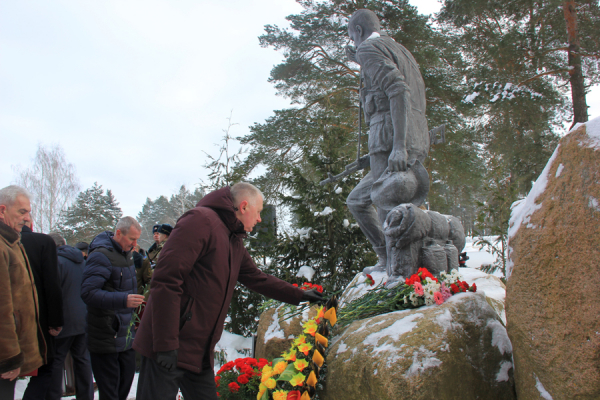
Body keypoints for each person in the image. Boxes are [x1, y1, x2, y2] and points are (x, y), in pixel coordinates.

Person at [133, 183, 323, 400]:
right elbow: (166, 281)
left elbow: (257, 278)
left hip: (198, 351)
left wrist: (299, 295)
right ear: (244, 206)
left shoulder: (233, 240)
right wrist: (166, 343)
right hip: (168, 345)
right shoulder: (200, 221)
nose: (260, 219)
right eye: (258, 212)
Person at [345, 9, 430, 273]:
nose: (354, 44)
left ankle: (396, 269)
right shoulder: (400, 50)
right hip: (409, 138)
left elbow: (397, 90)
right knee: (360, 201)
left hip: (392, 139)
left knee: (387, 206)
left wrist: (398, 146)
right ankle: (391, 258)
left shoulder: (368, 49)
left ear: (358, 31)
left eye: (352, 36)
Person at [81, 216, 145, 400]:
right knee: (110, 393)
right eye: (132, 239)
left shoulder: (126, 255)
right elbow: (88, 293)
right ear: (118, 233)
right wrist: (123, 300)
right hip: (105, 335)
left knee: (123, 388)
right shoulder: (101, 256)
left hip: (125, 335)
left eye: (137, 239)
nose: (135, 244)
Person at [0, 185, 44, 399]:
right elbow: (2, 308)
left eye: (28, 212)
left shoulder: (12, 243)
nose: (27, 218)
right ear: (2, 211)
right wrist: (9, 358)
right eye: (21, 212)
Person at [46, 232, 94, 400]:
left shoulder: (55, 263)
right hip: (83, 318)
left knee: (57, 361)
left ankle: (53, 396)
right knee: (82, 360)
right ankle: (86, 396)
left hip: (64, 320)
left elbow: (53, 294)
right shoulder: (82, 262)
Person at [20, 222, 64, 399]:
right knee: (46, 367)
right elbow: (52, 285)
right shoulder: (42, 242)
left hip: (8, 321)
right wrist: (56, 321)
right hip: (38, 321)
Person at [137, 223, 172, 295]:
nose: (156, 236)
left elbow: (161, 267)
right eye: (155, 234)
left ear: (165, 235)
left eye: (159, 234)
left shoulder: (166, 248)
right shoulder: (154, 249)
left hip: (157, 281)